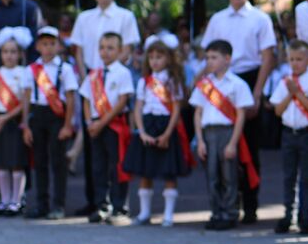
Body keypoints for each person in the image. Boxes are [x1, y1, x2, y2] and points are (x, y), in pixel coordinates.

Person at [201, 0, 276, 224]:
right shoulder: (217, 20)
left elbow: (267, 57)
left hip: (248, 78)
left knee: (249, 147)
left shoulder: (260, 18)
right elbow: (209, 55)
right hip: (221, 81)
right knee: (220, 148)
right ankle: (223, 205)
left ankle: (250, 205)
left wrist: (257, 92)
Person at [70, 0, 142, 216]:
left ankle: (119, 203)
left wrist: (112, 66)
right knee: (95, 154)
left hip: (114, 82)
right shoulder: (85, 17)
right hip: (92, 79)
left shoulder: (125, 16)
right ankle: (97, 201)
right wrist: (86, 75)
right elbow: (78, 50)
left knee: (116, 155)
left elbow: (129, 47)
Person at [126, 35, 191, 227]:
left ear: (169, 59)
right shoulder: (144, 82)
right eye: (151, 57)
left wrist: (167, 134)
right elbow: (138, 107)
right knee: (145, 171)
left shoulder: (173, 81)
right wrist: (142, 131)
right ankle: (145, 213)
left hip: (166, 127)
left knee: (168, 172)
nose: (154, 61)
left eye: (159, 57)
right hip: (148, 125)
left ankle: (168, 214)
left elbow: (176, 109)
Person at [190, 39, 254, 231]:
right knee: (212, 175)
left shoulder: (237, 84)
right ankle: (216, 212)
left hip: (227, 132)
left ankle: (230, 213)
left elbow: (241, 114)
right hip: (208, 133)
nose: (209, 61)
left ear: (227, 59)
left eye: (214, 57)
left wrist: (233, 143)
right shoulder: (204, 84)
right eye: (207, 58)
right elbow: (198, 113)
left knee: (229, 175)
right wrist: (200, 140)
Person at [269, 39, 308, 234]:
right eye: (291, 59)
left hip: (306, 134)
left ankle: (306, 217)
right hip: (288, 134)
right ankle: (288, 215)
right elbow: (277, 110)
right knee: (289, 176)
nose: (295, 63)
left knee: (307, 177)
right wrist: (289, 93)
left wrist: (298, 93)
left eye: (299, 59)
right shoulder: (285, 81)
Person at [24, 27, 78, 220]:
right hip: (38, 115)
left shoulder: (65, 68)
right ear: (38, 46)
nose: (48, 48)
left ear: (58, 46)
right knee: (39, 162)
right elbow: (27, 98)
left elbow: (70, 98)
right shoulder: (32, 69)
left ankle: (59, 205)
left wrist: (67, 124)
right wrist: (26, 125)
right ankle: (42, 204)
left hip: (57, 116)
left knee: (58, 161)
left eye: (52, 44)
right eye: (44, 44)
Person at [81, 32, 134, 222]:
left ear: (120, 50)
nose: (106, 52)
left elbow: (122, 101)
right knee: (98, 167)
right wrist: (89, 122)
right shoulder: (94, 74)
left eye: (110, 48)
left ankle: (120, 206)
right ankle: (102, 205)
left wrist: (102, 122)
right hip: (95, 126)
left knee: (117, 165)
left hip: (114, 125)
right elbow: (86, 99)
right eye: (102, 47)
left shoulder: (123, 73)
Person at [0, 27, 32, 215]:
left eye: (13, 52)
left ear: (20, 54)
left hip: (14, 121)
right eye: (5, 52)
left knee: (16, 162)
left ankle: (16, 200)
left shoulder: (25, 73)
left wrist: (6, 117)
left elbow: (25, 102)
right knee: (1, 162)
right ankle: (4, 200)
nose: (9, 56)